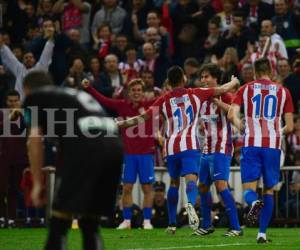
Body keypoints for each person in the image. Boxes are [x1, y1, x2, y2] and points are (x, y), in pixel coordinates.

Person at [117, 66, 240, 234]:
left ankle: (172, 223)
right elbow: (224, 88)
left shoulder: (164, 99)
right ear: (184, 79)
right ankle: (190, 203)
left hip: (171, 147)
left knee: (174, 182)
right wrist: (234, 81)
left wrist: (121, 124)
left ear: (168, 82)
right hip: (189, 145)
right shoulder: (197, 93)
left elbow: (142, 117)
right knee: (192, 181)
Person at [22, 71, 123, 250]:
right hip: (115, 149)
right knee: (90, 224)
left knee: (59, 223)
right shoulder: (73, 95)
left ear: (27, 89)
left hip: (87, 149)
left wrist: (37, 183)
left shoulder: (36, 96)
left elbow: (34, 139)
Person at [228, 58, 294, 243]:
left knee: (249, 188)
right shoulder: (283, 91)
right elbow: (289, 126)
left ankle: (253, 203)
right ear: (272, 71)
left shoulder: (245, 89)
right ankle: (262, 234)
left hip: (252, 143)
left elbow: (231, 114)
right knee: (270, 190)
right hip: (272, 146)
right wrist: (276, 132)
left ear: (255, 73)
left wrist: (241, 126)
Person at [81, 78, 156, 230]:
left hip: (146, 154)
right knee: (127, 188)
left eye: (139, 90)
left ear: (143, 92)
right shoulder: (122, 105)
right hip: (129, 155)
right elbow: (104, 100)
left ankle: (147, 221)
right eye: (133, 90)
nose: (136, 93)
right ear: (128, 92)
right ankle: (127, 221)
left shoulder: (150, 105)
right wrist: (89, 89)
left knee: (147, 189)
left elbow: (166, 99)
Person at [194, 63, 242, 237]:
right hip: (206, 149)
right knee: (203, 187)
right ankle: (206, 225)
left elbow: (233, 113)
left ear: (216, 78)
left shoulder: (226, 96)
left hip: (222, 147)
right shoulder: (200, 98)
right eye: (202, 77)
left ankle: (236, 227)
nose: (204, 80)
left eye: (207, 76)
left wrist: (215, 100)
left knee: (221, 186)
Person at [0, 26, 55, 99]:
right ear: (22, 61)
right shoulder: (19, 69)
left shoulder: (40, 68)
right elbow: (8, 55)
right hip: (21, 105)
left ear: (34, 60)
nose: (29, 59)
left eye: (31, 57)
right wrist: (1, 44)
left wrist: (51, 39)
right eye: (26, 58)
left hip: (37, 104)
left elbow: (46, 54)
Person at [0, 90, 28, 228]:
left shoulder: (25, 114)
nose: (13, 103)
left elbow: (34, 129)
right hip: (3, 157)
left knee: (14, 189)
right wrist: (10, 117)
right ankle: (1, 217)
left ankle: (11, 219)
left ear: (19, 101)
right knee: (1, 188)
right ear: (6, 102)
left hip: (19, 157)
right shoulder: (1, 113)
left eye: (16, 100)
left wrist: (23, 116)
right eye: (10, 101)